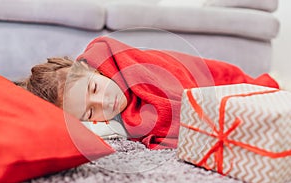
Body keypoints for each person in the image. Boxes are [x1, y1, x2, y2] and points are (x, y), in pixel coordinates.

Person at [16, 36, 280, 149]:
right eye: (90, 111)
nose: (105, 102)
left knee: (251, 93)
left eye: (94, 89)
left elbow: (176, 105)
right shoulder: (103, 111)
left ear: (90, 69)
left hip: (213, 76)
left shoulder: (116, 59)